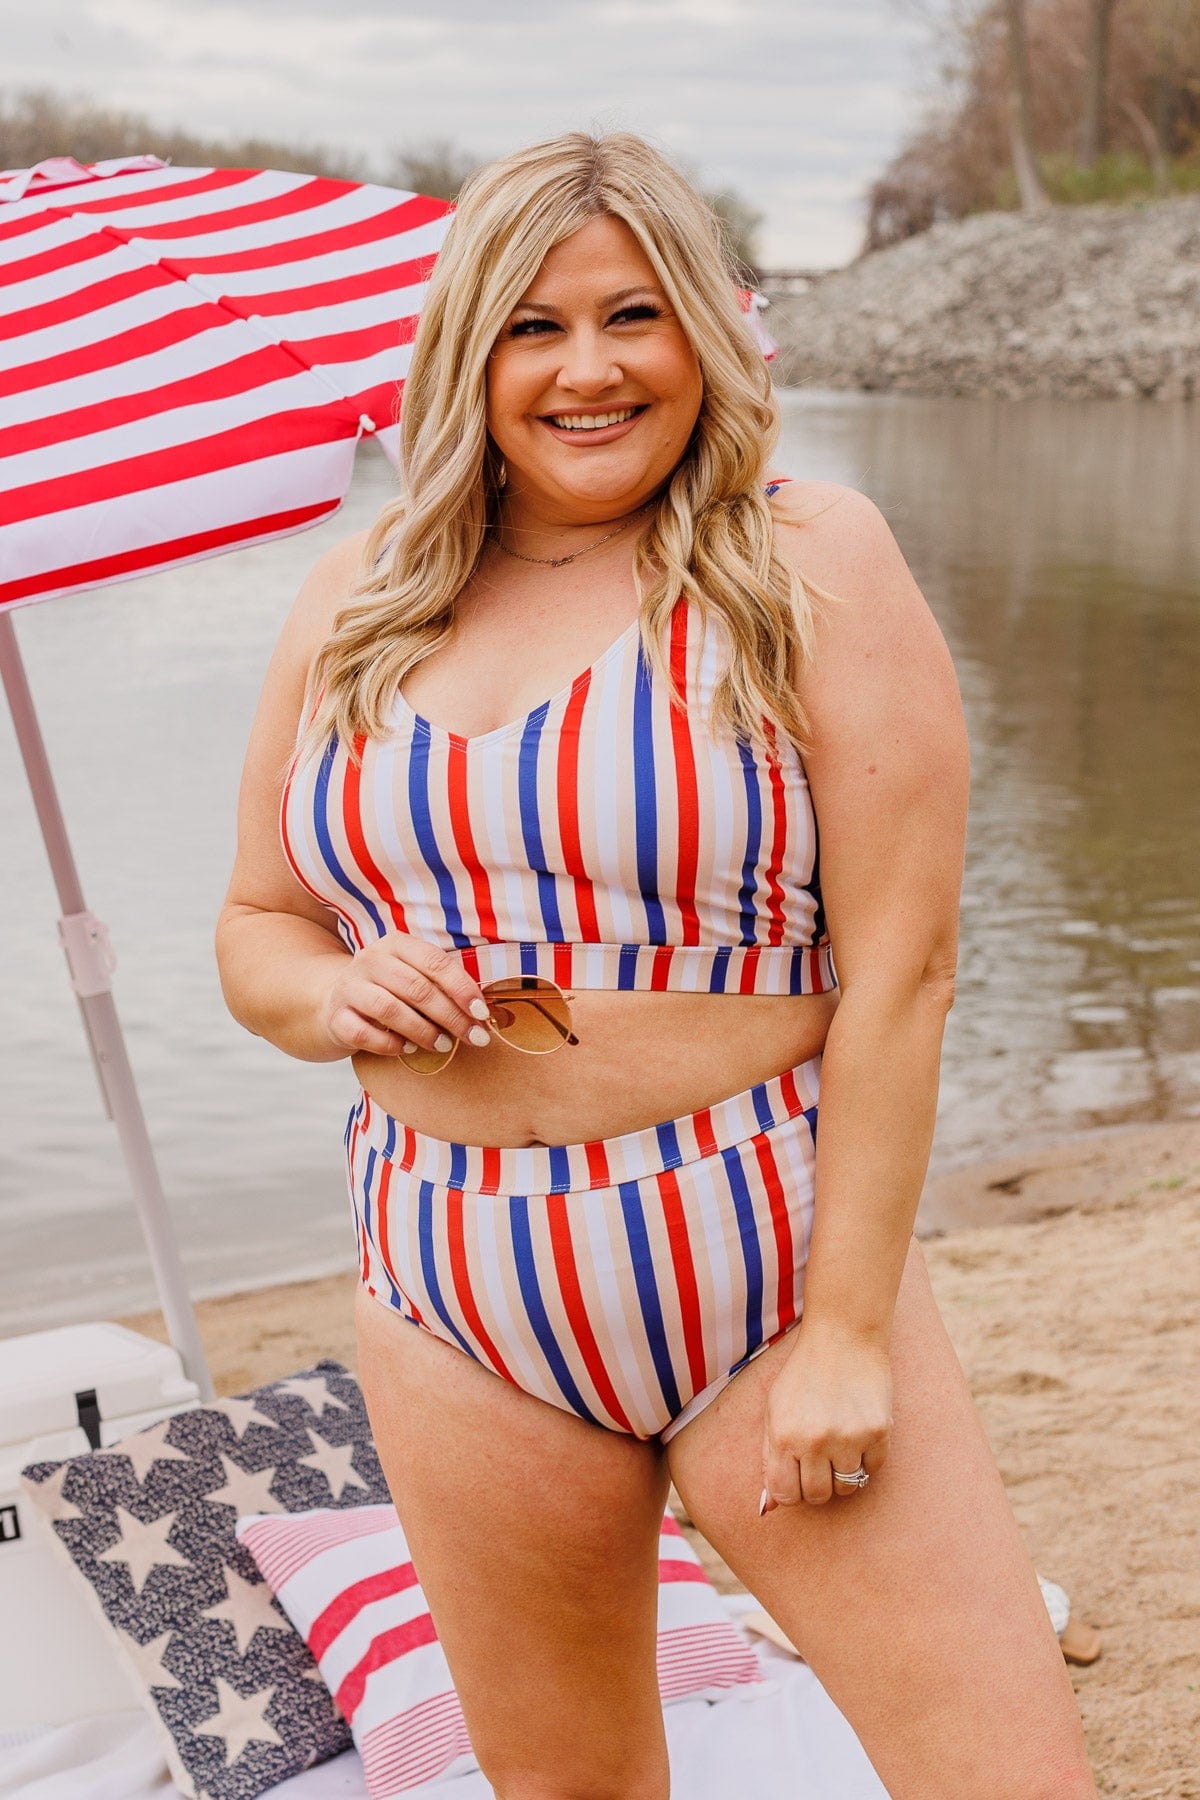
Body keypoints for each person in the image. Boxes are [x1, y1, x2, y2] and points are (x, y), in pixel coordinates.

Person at [215, 132, 1096, 1800]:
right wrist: (331, 996)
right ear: (465, 350)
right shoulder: (354, 599)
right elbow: (257, 927)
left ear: (706, 326)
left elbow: (904, 975)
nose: (591, 368)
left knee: (1005, 1779)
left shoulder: (805, 557)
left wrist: (847, 1327)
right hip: (444, 1278)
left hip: (754, 1255)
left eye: (634, 314)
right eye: (534, 327)